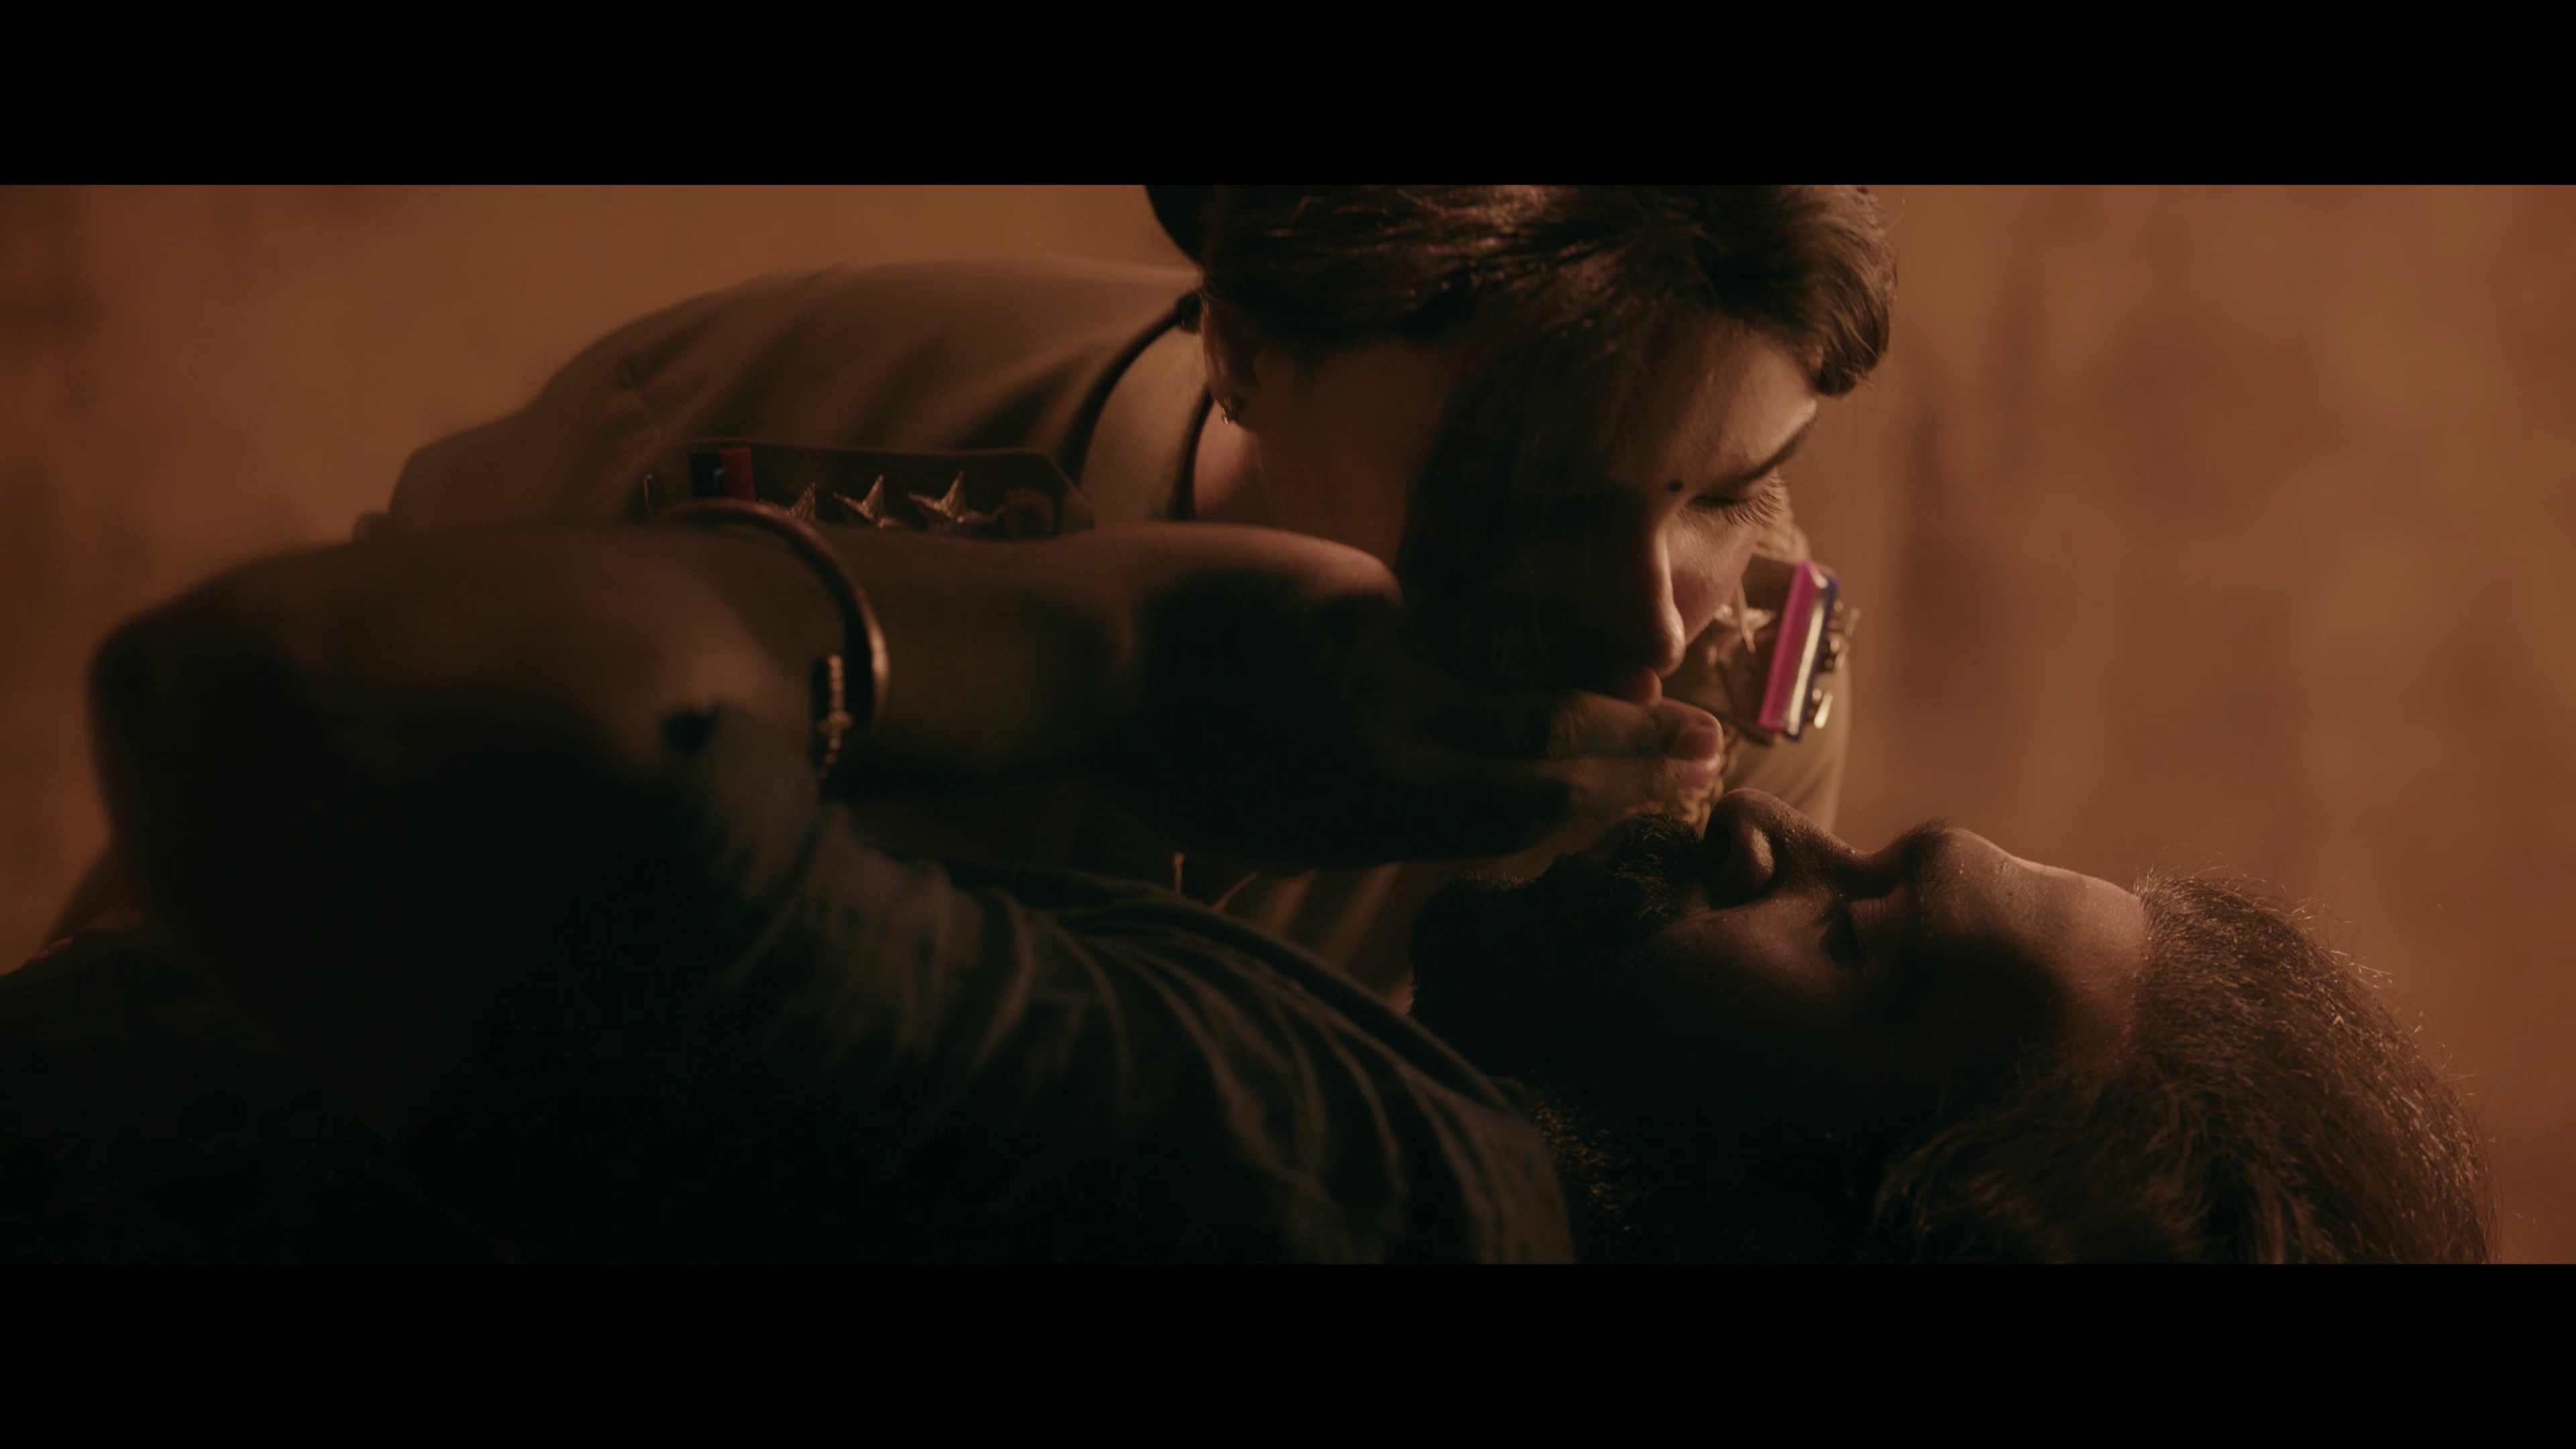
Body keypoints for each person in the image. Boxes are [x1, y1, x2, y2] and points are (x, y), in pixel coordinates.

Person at [58, 507, 2493, 1262]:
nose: (1772, 820)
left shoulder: (1356, 1188)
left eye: (1860, 935)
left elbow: (304, 695)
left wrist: (1109, 645)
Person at [295, 185, 1892, 1001]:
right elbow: (287, 815)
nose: (1650, 628)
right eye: (1522, 507)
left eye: (1732, 490)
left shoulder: (1739, 729)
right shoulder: (717, 443)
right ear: (1245, 345)